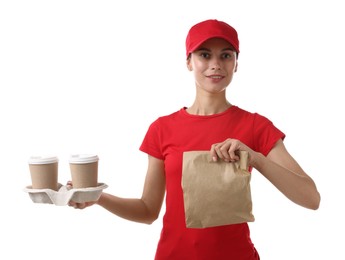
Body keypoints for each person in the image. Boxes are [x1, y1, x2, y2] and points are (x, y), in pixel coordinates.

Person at [68, 19, 321, 260]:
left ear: (236, 63)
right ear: (189, 62)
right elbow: (148, 211)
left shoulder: (255, 126)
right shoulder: (162, 129)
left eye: (226, 55)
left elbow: (311, 199)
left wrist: (256, 158)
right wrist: (98, 197)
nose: (216, 64)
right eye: (204, 54)